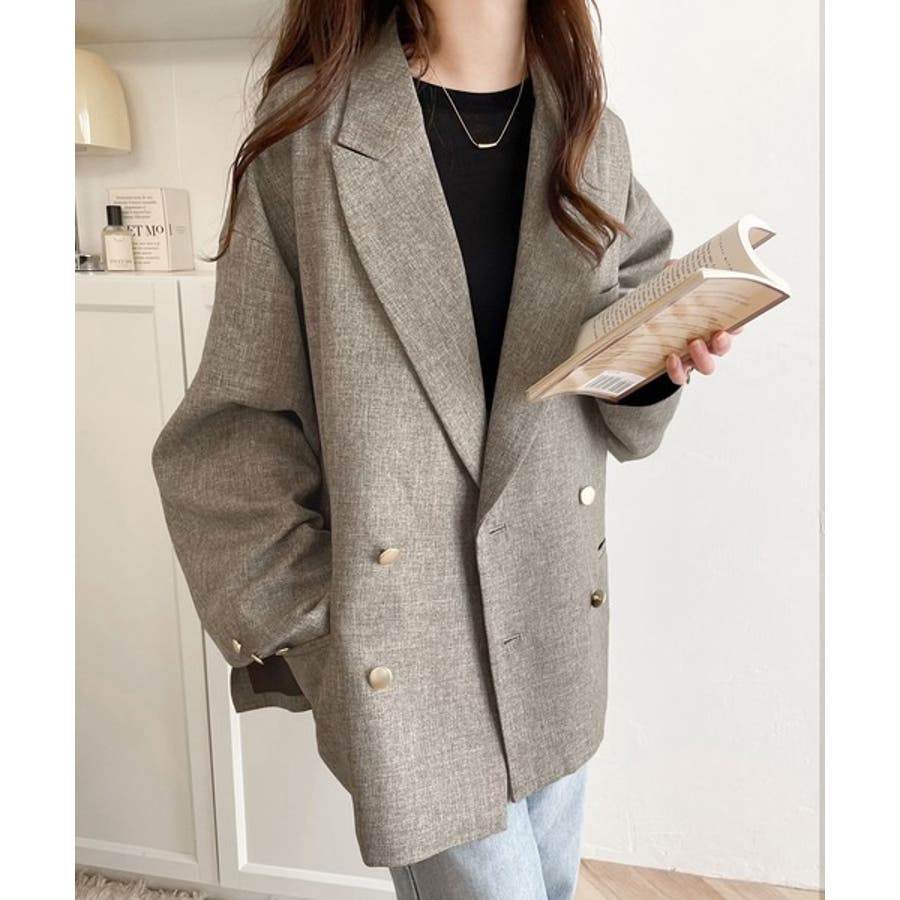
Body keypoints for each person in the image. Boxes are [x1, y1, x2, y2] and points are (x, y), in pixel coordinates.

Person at [150, 2, 739, 897]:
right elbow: (230, 436)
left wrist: (658, 366)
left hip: (553, 625)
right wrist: (324, 625)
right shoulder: (310, 136)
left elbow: (618, 395)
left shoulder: (591, 136)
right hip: (407, 653)